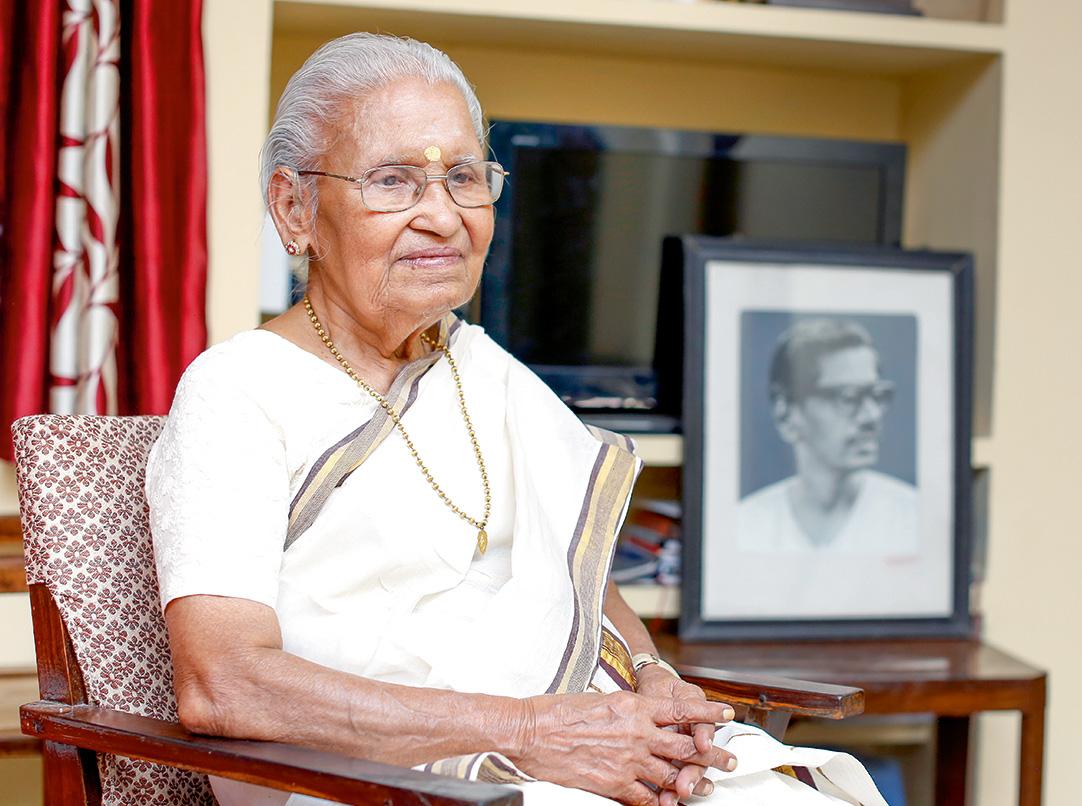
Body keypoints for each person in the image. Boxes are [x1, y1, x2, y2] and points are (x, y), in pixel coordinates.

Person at [147, 33, 885, 806]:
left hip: (563, 734)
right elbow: (224, 684)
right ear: (294, 208)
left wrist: (652, 676)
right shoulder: (237, 391)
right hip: (370, 775)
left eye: (464, 177)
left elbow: (567, 564)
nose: (443, 216)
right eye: (393, 181)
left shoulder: (478, 366)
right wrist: (530, 732)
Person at [737, 319, 918, 555]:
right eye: (848, 397)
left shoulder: (913, 519)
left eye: (876, 395)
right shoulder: (745, 526)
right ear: (786, 413)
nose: (871, 416)